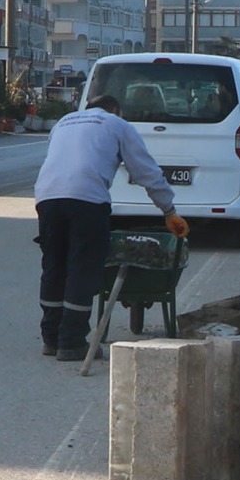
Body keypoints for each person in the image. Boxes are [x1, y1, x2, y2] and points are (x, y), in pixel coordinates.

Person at [32, 93, 187, 362]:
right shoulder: (117, 124)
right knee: (82, 267)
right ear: (115, 109)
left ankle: (51, 338)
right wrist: (168, 209)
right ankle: (71, 342)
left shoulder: (64, 122)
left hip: (47, 198)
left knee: (54, 266)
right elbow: (145, 171)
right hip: (87, 200)